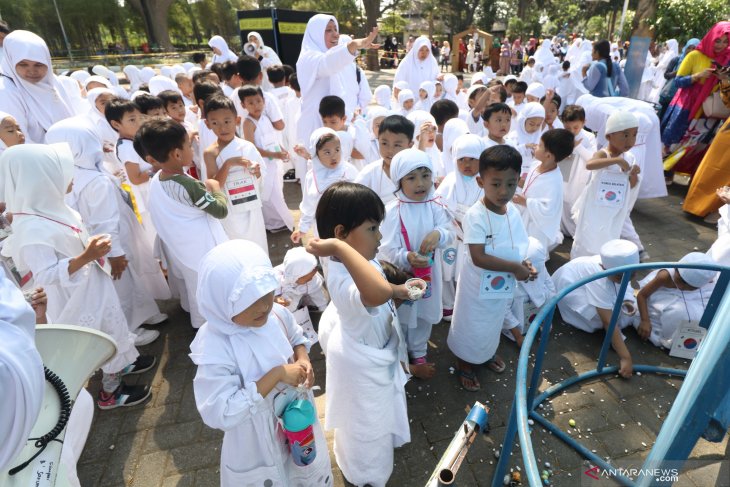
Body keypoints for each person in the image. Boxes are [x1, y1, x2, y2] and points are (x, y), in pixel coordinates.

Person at [0, 143, 154, 408]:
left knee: (111, 328)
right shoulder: (32, 229)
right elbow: (46, 275)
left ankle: (120, 365)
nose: (71, 178)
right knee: (98, 337)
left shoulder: (50, 208)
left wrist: (88, 249)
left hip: (89, 286)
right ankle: (110, 393)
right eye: (62, 172)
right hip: (76, 298)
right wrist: (86, 256)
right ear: (40, 179)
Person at [189, 240, 331, 486]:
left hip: (296, 418)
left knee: (304, 471)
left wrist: (303, 357)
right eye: (249, 300)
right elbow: (220, 412)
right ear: (221, 302)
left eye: (267, 293)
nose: (264, 305)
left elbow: (296, 335)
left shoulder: (275, 313)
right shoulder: (216, 346)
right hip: (255, 438)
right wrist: (276, 375)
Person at [308, 182, 411, 487]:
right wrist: (339, 247)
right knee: (368, 426)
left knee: (376, 420)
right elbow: (377, 292)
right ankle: (366, 475)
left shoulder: (355, 261)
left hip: (372, 349)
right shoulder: (341, 275)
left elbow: (380, 284)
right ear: (340, 234)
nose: (380, 236)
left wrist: (399, 290)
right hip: (365, 368)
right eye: (372, 228)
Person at [45, 119, 169, 346]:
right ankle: (131, 329)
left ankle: (143, 312)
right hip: (110, 244)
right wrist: (115, 253)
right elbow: (105, 223)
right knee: (120, 283)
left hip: (103, 242)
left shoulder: (76, 173)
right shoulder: (94, 180)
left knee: (129, 280)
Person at [447, 145, 534, 391]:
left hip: (500, 283)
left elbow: (516, 244)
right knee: (472, 323)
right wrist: (515, 268)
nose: (504, 191)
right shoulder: (476, 215)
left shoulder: (512, 211)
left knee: (493, 321)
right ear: (480, 181)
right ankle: (465, 361)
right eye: (495, 184)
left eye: (511, 183)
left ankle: (484, 354)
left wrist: (523, 263)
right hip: (476, 286)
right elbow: (478, 257)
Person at [139, 118, 229, 328]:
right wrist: (215, 187)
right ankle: (211, 328)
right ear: (177, 154)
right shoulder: (190, 185)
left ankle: (200, 322)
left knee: (195, 287)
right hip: (203, 249)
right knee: (209, 292)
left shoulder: (157, 179)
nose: (192, 149)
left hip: (182, 249)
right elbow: (220, 210)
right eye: (189, 145)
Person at [380, 148, 453, 373]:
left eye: (425, 175)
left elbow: (450, 231)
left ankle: (419, 351)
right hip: (405, 275)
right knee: (403, 315)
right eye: (411, 177)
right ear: (398, 181)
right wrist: (406, 257)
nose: (420, 183)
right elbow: (387, 249)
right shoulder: (393, 211)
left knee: (424, 315)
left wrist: (438, 234)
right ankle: (402, 353)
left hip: (429, 274)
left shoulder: (436, 204)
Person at [553, 239, 639, 378]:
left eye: (633, 274)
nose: (629, 278)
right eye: (620, 276)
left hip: (600, 284)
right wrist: (625, 357)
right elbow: (607, 321)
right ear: (605, 269)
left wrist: (628, 300)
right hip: (572, 289)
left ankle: (614, 336)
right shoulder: (599, 277)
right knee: (599, 319)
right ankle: (613, 338)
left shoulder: (614, 266)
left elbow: (625, 283)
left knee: (622, 311)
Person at [296, 15, 378, 148]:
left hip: (334, 125)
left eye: (335, 29)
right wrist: (354, 45)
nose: (336, 34)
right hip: (314, 125)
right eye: (328, 30)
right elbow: (327, 63)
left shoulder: (328, 56)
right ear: (316, 33)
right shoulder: (309, 57)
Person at [571, 112, 641, 259]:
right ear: (609, 136)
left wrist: (633, 174)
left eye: (634, 135)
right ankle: (581, 261)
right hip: (595, 208)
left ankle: (602, 262)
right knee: (589, 236)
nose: (630, 140)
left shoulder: (629, 157)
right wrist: (616, 161)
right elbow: (590, 164)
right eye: (625, 135)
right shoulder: (604, 154)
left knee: (608, 237)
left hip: (613, 209)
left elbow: (631, 185)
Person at [202, 95, 267, 251]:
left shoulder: (247, 147)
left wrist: (257, 172)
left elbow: (261, 176)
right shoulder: (210, 152)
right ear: (207, 124)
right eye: (215, 123)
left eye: (227, 121)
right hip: (230, 211)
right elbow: (214, 185)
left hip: (251, 205)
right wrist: (229, 163)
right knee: (237, 247)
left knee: (256, 245)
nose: (222, 128)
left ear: (236, 120)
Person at [435, 134, 486, 322]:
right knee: (447, 270)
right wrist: (455, 224)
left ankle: (465, 304)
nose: (467, 164)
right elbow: (440, 208)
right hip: (452, 236)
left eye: (473, 159)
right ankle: (448, 304)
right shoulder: (450, 181)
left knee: (468, 273)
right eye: (462, 159)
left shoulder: (485, 182)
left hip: (474, 237)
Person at [661, 23, 730, 152]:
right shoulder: (694, 55)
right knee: (671, 147)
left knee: (694, 150)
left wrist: (723, 79)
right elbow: (678, 82)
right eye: (718, 41)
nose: (721, 45)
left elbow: (727, 92)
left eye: (726, 42)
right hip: (685, 105)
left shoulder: (727, 60)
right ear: (711, 38)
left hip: (708, 110)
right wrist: (698, 75)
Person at [0, 30, 75, 143]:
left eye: (39, 64)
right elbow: (17, 142)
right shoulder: (6, 92)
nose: (32, 71)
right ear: (11, 61)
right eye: (23, 64)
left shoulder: (53, 82)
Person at [240, 85, 295, 233]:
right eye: (250, 103)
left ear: (264, 101)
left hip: (274, 162)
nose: (256, 105)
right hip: (263, 165)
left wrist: (281, 151)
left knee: (278, 191)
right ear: (243, 105)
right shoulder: (248, 123)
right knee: (269, 194)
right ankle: (273, 223)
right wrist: (275, 155)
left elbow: (273, 140)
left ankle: (280, 221)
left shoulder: (265, 118)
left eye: (258, 101)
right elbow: (253, 148)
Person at [634, 252, 716, 349]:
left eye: (689, 286)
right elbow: (642, 295)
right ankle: (669, 337)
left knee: (703, 314)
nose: (681, 286)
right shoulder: (664, 276)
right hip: (662, 295)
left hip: (693, 297)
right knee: (678, 313)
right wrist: (645, 321)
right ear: (676, 269)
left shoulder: (709, 279)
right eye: (680, 280)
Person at [291, 128, 358, 243]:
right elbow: (309, 206)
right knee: (328, 256)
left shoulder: (349, 171)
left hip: (350, 223)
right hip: (324, 225)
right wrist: (302, 229)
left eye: (337, 150)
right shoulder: (312, 177)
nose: (334, 156)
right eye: (327, 152)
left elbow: (361, 197)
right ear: (316, 154)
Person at [512, 129, 573, 254]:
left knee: (532, 249)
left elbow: (549, 209)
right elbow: (531, 184)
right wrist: (520, 183)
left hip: (537, 224)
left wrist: (527, 202)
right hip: (525, 214)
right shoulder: (535, 165)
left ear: (548, 155)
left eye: (540, 145)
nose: (535, 146)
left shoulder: (554, 180)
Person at [355, 115, 414, 204]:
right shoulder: (369, 173)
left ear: (410, 145)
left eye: (397, 145)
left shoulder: (418, 171)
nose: (390, 150)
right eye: (384, 143)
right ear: (378, 140)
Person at [560, 105, 597, 236]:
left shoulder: (589, 137)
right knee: (562, 199)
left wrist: (578, 147)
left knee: (574, 202)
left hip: (579, 174)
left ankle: (575, 232)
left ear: (584, 122)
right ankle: (561, 228)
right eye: (567, 128)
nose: (572, 131)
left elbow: (592, 158)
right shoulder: (561, 134)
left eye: (576, 127)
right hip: (563, 171)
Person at [274, 246, 329, 313]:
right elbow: (271, 290)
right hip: (285, 296)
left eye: (312, 275)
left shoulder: (312, 280)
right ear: (296, 277)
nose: (311, 279)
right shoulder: (278, 275)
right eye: (307, 279)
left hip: (303, 297)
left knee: (314, 299)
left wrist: (323, 309)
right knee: (285, 305)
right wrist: (276, 298)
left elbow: (318, 296)